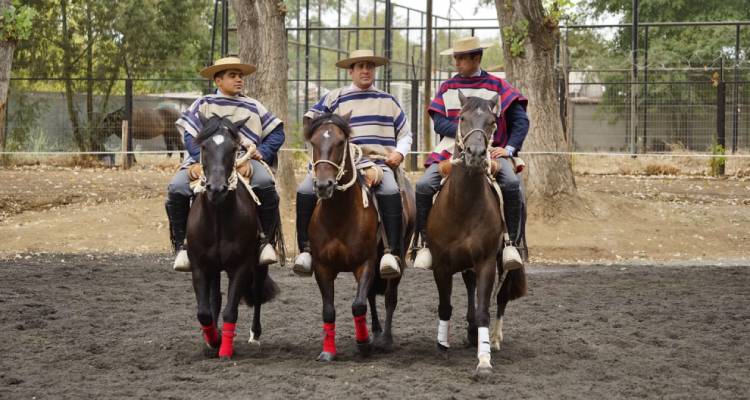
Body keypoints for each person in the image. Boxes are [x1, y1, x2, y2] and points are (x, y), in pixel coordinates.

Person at [293, 49, 412, 278]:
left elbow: (406, 133)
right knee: (305, 190)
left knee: (389, 190)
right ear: (351, 71)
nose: (366, 70)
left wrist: (399, 153)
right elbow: (310, 121)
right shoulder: (333, 97)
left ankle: (391, 253)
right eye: (360, 66)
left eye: (370, 66)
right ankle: (305, 250)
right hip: (337, 163)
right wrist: (318, 156)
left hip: (378, 161)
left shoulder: (388, 100)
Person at [414, 37, 529, 271]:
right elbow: (438, 123)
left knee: (511, 184)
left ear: (476, 58)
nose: (456, 62)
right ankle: (424, 244)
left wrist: (508, 149)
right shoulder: (447, 87)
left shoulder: (499, 87)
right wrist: (464, 137)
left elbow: (521, 122)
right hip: (450, 149)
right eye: (455, 58)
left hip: (492, 151)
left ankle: (511, 244)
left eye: (461, 58)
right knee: (424, 185)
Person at [165, 56, 285, 272]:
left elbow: (277, 132)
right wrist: (200, 162)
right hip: (204, 164)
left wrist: (260, 153)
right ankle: (182, 246)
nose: (239, 79)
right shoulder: (204, 104)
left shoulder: (253, 105)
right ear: (218, 80)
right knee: (176, 189)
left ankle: (266, 243)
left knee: (266, 184)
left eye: (240, 75)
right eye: (232, 75)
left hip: (244, 162)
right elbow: (189, 136)